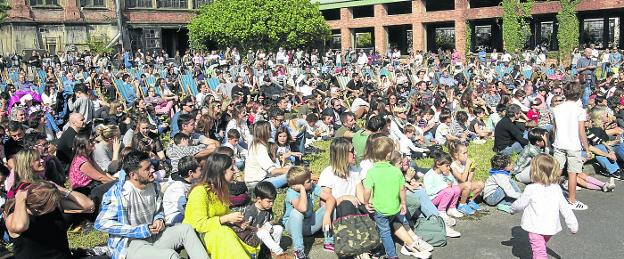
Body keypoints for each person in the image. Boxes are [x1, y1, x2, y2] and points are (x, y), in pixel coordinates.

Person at [95, 151, 208, 259]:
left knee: (186, 229)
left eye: (151, 166)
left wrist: (159, 219)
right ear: (133, 175)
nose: (153, 170)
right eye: (147, 169)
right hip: (131, 244)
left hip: (154, 237)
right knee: (170, 256)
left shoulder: (154, 186)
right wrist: (138, 230)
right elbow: (102, 223)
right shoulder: (119, 194)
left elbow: (159, 211)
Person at [363, 136, 432, 259]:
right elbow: (402, 189)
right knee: (388, 226)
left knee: (384, 232)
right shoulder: (396, 171)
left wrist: (366, 202)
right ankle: (401, 244)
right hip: (394, 207)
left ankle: (392, 255)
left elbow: (367, 190)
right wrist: (403, 203)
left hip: (380, 208)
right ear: (389, 155)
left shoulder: (372, 172)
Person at [183, 153, 258, 258]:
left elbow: (224, 214)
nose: (235, 171)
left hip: (217, 230)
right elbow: (199, 225)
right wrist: (226, 218)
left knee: (247, 233)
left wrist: (236, 221)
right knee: (225, 233)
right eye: (231, 169)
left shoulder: (221, 189)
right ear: (222, 172)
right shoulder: (200, 191)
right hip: (198, 236)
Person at [4, 181, 97, 259]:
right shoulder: (15, 217)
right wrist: (20, 199)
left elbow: (88, 206)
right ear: (42, 206)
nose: (57, 203)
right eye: (54, 202)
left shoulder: (52, 209)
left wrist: (60, 189)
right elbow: (20, 226)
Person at [511, 154, 578, 259]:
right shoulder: (556, 189)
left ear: (534, 172)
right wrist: (573, 224)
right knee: (540, 248)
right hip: (550, 227)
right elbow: (565, 208)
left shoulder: (531, 189)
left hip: (535, 227)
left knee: (539, 252)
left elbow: (520, 204)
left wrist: (513, 209)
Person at [551, 82, 591, 210]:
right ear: (579, 94)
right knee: (572, 173)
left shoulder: (556, 109)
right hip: (573, 145)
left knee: (557, 170)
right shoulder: (580, 110)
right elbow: (581, 132)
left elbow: (555, 128)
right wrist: (587, 148)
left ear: (564, 92)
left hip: (559, 143)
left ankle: (550, 197)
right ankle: (572, 201)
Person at [282, 166, 335, 259]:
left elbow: (331, 198)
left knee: (330, 207)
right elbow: (302, 208)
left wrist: (326, 215)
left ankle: (329, 241)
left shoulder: (312, 187)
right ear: (299, 185)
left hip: (309, 225)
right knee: (297, 213)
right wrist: (302, 189)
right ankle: (299, 251)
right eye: (308, 181)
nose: (312, 181)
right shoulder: (291, 193)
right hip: (293, 227)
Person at [231, 182, 288, 258]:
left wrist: (269, 226)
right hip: (252, 236)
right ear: (259, 199)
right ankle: (279, 252)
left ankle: (272, 251)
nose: (271, 204)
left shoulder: (268, 209)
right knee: (263, 232)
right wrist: (258, 229)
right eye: (269, 201)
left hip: (263, 232)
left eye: (273, 201)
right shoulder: (250, 210)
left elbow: (271, 220)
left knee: (279, 228)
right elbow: (245, 227)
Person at [244, 121, 290, 188]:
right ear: (264, 132)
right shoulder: (260, 147)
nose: (271, 131)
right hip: (257, 183)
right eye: (269, 129)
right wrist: (291, 170)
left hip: (258, 180)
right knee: (294, 174)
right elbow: (273, 171)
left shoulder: (256, 144)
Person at [424, 152, 464, 221]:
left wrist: (448, 176)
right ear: (438, 164)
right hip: (433, 199)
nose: (448, 168)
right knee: (449, 190)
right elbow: (429, 192)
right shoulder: (429, 175)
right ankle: (441, 211)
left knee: (457, 188)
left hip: (443, 196)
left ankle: (452, 208)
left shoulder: (444, 173)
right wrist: (444, 186)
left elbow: (454, 183)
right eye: (447, 166)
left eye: (449, 166)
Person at [162, 156, 202, 225]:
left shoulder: (193, 182)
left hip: (186, 213)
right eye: (200, 170)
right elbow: (183, 207)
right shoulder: (177, 186)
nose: (202, 172)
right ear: (191, 173)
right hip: (173, 217)